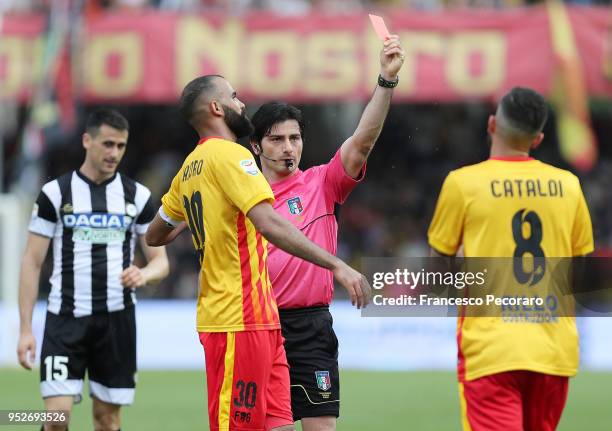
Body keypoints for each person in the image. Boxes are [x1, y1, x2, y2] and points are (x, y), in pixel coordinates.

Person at [145, 75, 371, 431]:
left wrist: (202, 216)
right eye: (234, 97)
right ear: (216, 108)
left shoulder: (188, 169)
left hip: (263, 321)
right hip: (238, 318)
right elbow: (268, 223)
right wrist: (336, 265)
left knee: (275, 424)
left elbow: (155, 234)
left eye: (293, 138)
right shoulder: (232, 156)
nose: (241, 104)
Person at [248, 35, 404, 430]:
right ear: (255, 146)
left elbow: (362, 142)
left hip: (312, 327)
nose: (288, 148)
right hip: (261, 327)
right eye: (277, 139)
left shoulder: (321, 183)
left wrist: (385, 81)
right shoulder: (243, 197)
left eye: (295, 138)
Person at [427, 87, 594, 431]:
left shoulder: (463, 184)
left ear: (491, 125)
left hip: (492, 349)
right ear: (538, 139)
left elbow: (437, 275)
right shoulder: (569, 186)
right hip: (553, 351)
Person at [17, 109, 170, 431]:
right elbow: (31, 262)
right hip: (65, 320)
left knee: (108, 419)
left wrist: (143, 275)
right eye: (108, 144)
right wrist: (26, 329)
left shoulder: (138, 196)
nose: (114, 153)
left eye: (121, 146)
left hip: (117, 323)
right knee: (56, 419)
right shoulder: (55, 194)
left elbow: (161, 262)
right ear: (88, 141)